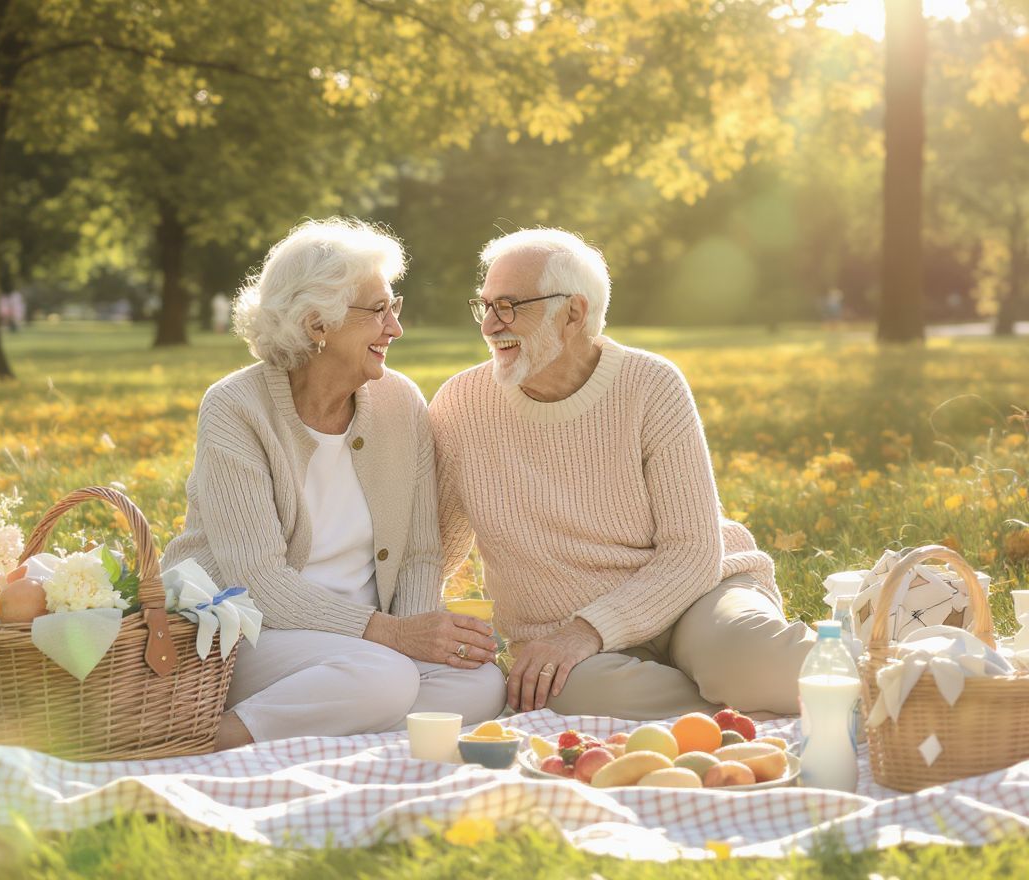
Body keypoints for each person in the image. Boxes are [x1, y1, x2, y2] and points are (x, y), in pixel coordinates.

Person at [429, 228, 815, 720]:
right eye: (484, 305)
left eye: (508, 306)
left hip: (694, 598)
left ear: (573, 313)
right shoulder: (461, 405)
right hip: (564, 636)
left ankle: (907, 678)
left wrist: (586, 631)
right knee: (573, 697)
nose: (489, 325)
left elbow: (693, 552)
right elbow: (434, 546)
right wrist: (393, 629)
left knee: (749, 662)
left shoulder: (651, 385)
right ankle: (736, 708)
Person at [163, 218, 505, 748]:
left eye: (395, 308)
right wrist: (394, 638)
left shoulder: (400, 402)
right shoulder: (236, 407)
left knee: (480, 685)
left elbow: (418, 552)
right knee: (385, 678)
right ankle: (212, 738)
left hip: (364, 646)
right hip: (250, 631)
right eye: (377, 312)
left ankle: (321, 727)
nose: (395, 329)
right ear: (317, 323)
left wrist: (418, 636)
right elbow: (258, 580)